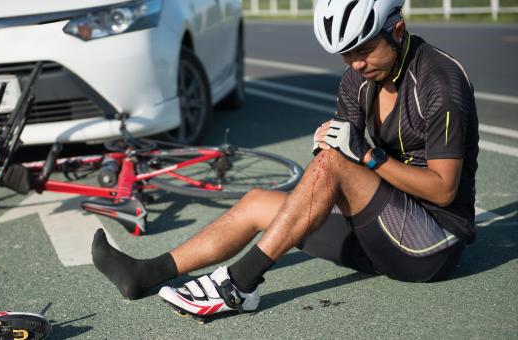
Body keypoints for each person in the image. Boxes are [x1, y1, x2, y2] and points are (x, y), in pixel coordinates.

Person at [91, 0, 479, 319]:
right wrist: (327, 146)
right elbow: (335, 157)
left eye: (363, 49)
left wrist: (366, 155)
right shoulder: (356, 80)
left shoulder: (440, 81)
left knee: (336, 165)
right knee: (259, 201)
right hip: (378, 236)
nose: (356, 63)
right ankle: (145, 274)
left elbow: (444, 191)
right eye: (346, 54)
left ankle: (238, 285)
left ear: (397, 30)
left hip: (430, 247)